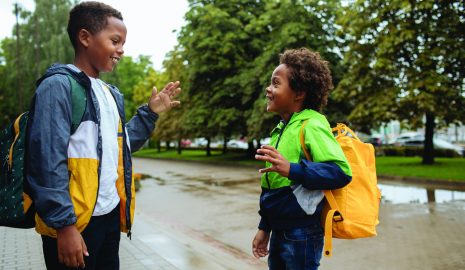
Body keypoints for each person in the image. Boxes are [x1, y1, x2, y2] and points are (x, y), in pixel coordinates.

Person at [25, 1, 181, 269]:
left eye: (122, 43)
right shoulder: (58, 86)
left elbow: (121, 146)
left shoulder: (110, 94)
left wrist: (150, 113)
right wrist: (64, 226)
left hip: (108, 218)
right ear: (85, 37)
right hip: (75, 223)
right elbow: (46, 161)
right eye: (115, 41)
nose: (121, 50)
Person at [252, 48, 352, 270]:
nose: (268, 89)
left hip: (302, 233)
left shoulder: (312, 125)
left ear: (299, 93)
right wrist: (264, 227)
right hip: (279, 230)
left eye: (276, 83)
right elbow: (272, 187)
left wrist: (293, 170)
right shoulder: (281, 129)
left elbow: (340, 172)